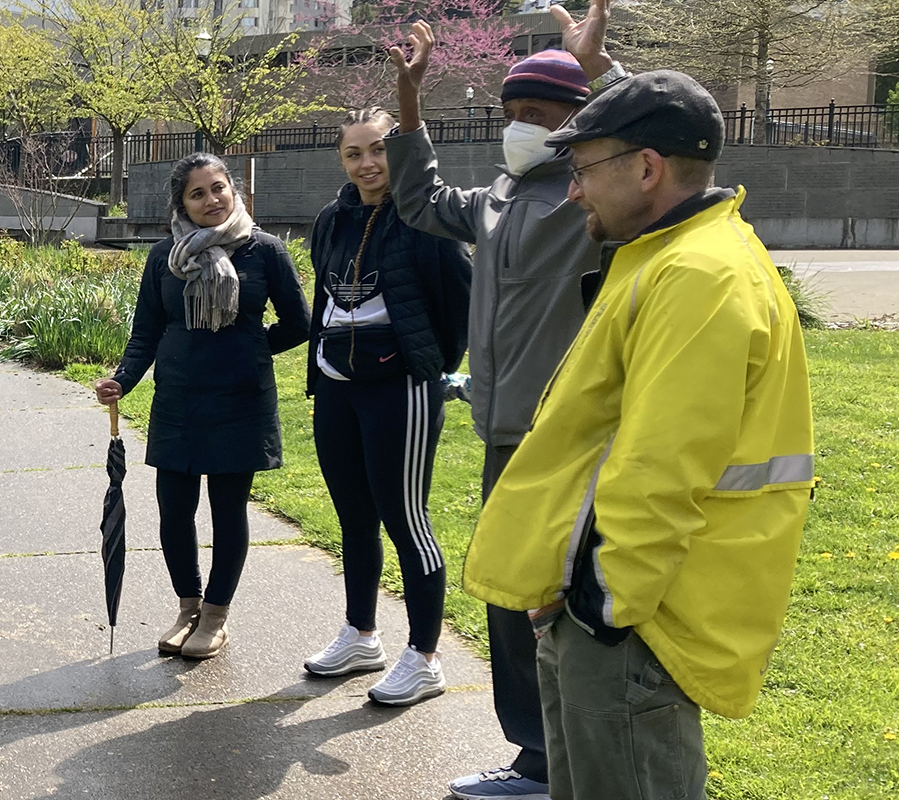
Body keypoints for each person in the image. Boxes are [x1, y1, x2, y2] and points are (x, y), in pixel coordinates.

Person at [465, 69, 813, 800]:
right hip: (604, 607)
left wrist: (598, 609)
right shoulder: (664, 257)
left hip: (632, 627)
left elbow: (660, 469)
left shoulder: (699, 274)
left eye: (584, 169)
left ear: (647, 169)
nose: (571, 190)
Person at [382, 1, 630, 792]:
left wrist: (599, 70)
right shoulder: (496, 199)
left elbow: (656, 147)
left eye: (540, 115)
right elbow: (419, 200)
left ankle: (556, 762)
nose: (522, 125)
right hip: (500, 432)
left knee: (556, 603)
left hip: (566, 436)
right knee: (507, 596)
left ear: (577, 124)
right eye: (513, 112)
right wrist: (411, 101)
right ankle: (534, 755)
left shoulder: (595, 202)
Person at [93, 153, 310, 659]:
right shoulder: (164, 256)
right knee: (174, 510)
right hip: (179, 400)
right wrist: (122, 380)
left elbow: (300, 324)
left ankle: (215, 615)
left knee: (227, 509)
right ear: (182, 204)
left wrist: (252, 349)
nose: (212, 199)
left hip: (240, 400)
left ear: (234, 191)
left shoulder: (265, 251)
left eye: (219, 188)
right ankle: (188, 607)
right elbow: (146, 332)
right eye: (198, 193)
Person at [298, 108, 471, 706]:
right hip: (337, 384)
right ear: (341, 160)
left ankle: (424, 656)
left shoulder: (425, 218)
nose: (368, 163)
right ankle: (361, 635)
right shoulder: (331, 219)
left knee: (407, 522)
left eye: (380, 150)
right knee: (353, 517)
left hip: (401, 388)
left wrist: (425, 364)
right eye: (355, 153)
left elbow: (459, 305)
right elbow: (325, 296)